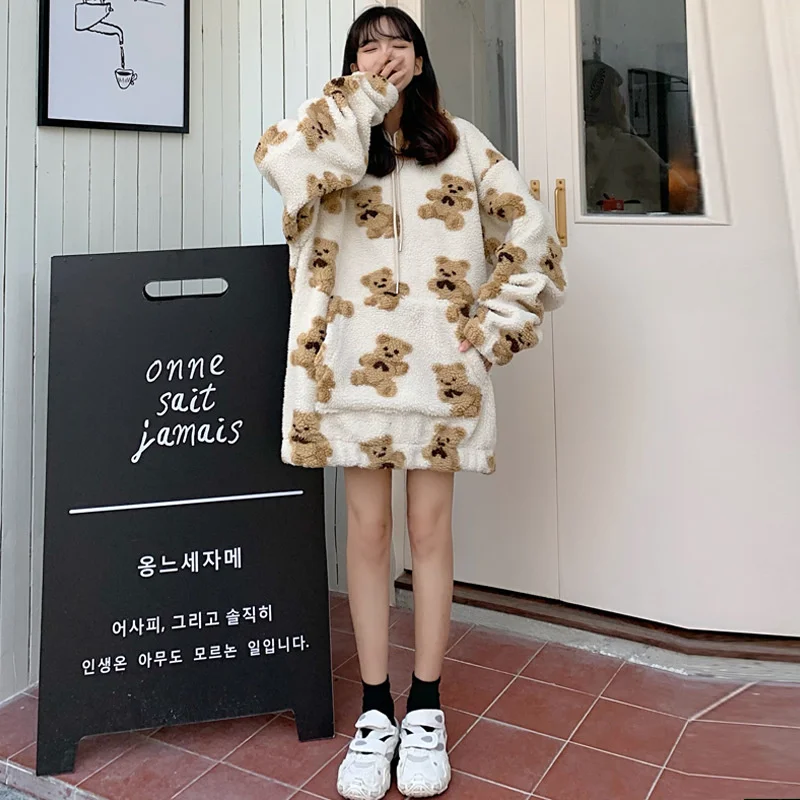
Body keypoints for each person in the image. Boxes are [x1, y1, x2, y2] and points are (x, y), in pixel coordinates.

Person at [254, 8, 566, 799]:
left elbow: (533, 238)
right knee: (366, 534)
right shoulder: (328, 140)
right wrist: (359, 102)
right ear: (351, 63)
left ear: (421, 61)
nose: (385, 54)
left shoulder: (462, 145)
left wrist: (489, 332)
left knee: (429, 533)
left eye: (399, 43)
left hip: (438, 374)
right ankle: (374, 710)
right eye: (368, 45)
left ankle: (424, 704)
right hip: (346, 372)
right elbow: (281, 164)